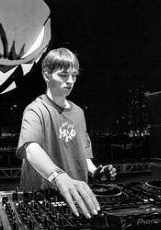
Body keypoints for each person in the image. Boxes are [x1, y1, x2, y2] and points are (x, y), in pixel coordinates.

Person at [16, 48, 112, 218]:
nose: (70, 81)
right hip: (43, 199)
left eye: (74, 75)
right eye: (63, 75)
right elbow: (31, 149)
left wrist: (96, 172)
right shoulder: (36, 109)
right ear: (46, 76)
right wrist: (59, 176)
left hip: (77, 198)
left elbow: (83, 154)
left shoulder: (79, 112)